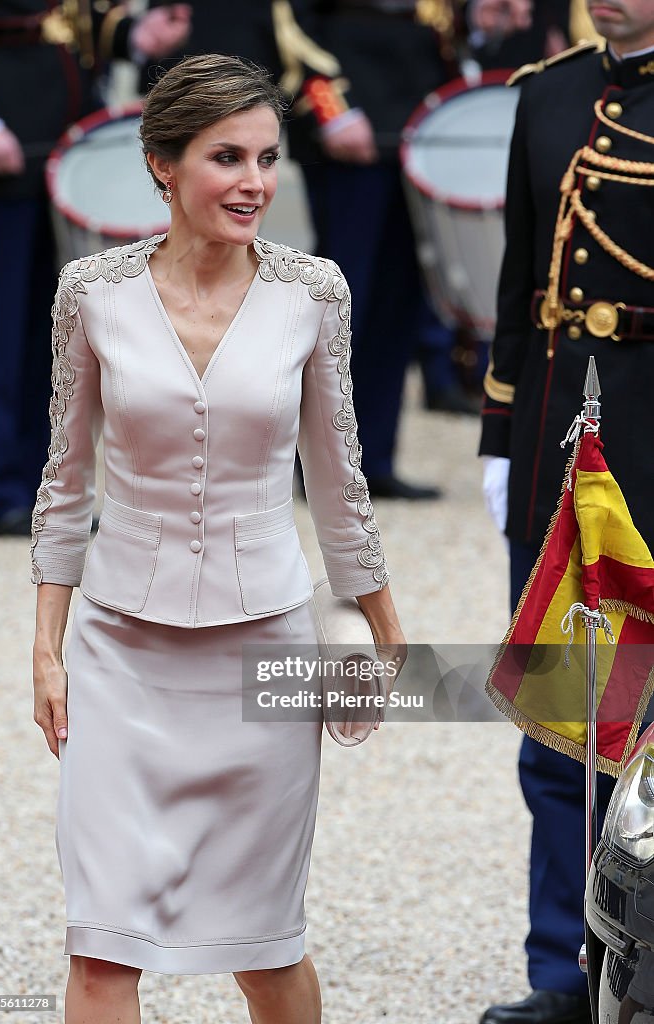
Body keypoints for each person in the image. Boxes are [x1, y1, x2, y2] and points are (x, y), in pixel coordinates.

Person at [30, 53, 406, 1023]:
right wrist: (46, 649)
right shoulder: (91, 292)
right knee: (104, 946)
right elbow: (66, 484)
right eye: (224, 157)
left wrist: (382, 632)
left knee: (264, 947)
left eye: (267, 158)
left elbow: (339, 482)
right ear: (162, 164)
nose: (252, 183)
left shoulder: (313, 293)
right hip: (119, 653)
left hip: (266, 658)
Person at [479, 1, 654, 1021]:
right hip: (562, 447)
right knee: (559, 725)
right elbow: (516, 283)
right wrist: (501, 440)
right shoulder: (544, 94)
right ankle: (562, 968)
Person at [270, 0, 532, 500]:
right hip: (351, 109)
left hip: (419, 108)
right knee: (343, 299)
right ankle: (317, 461)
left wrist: (473, 22)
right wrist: (331, 107)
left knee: (402, 297)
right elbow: (289, 19)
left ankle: (371, 459)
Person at [0, 0, 190, 536]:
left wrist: (136, 35)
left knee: (64, 325)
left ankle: (41, 483)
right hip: (3, 127)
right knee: (4, 322)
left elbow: (82, 19)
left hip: (69, 130)